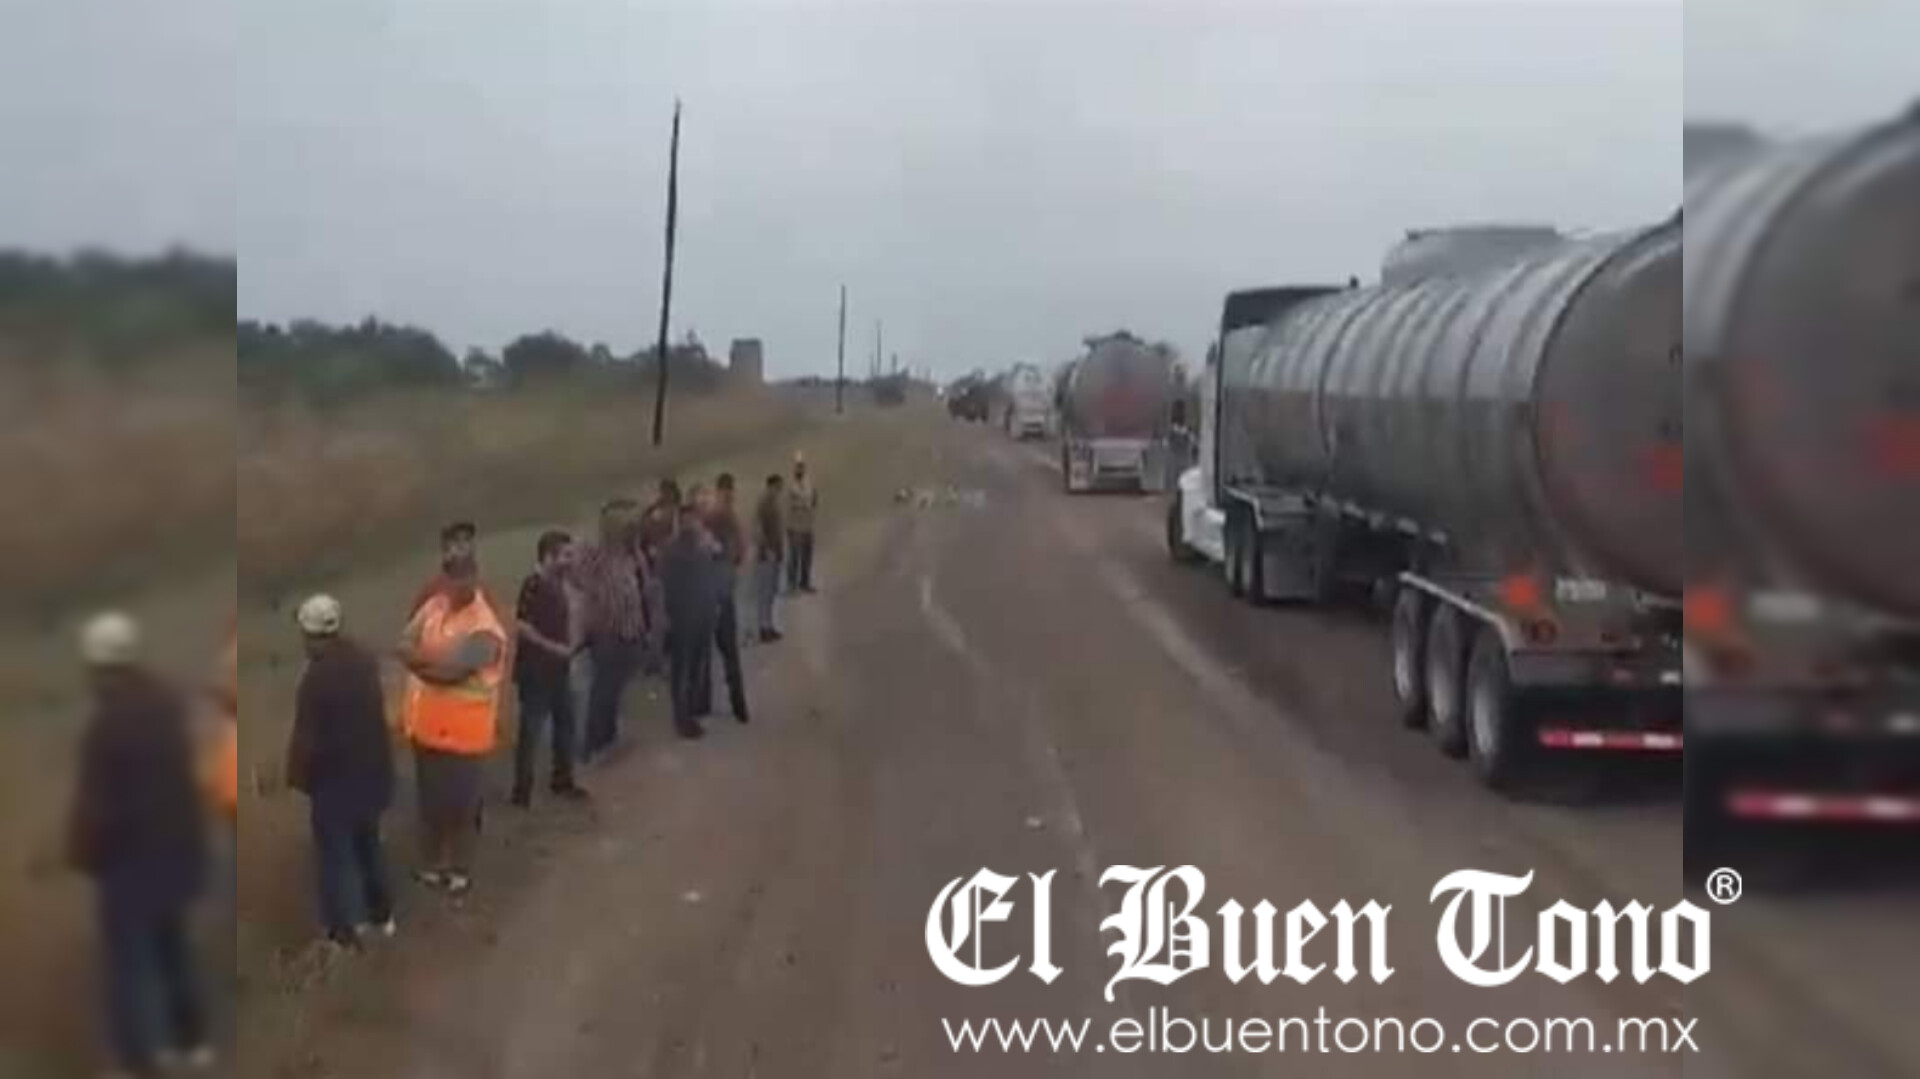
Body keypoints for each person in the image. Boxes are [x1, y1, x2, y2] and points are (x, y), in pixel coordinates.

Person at [66, 612, 215, 1077]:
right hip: (176, 855)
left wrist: (82, 855)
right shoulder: (166, 705)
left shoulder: (105, 725)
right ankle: (191, 1042)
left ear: (99, 666)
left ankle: (137, 1062)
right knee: (174, 951)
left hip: (128, 866)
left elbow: (96, 807)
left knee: (129, 966)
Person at [287, 595, 397, 948]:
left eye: (305, 635)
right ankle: (382, 917)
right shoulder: (363, 661)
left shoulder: (316, 679)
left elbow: (306, 740)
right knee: (369, 847)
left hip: (335, 783)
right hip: (373, 775)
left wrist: (298, 779)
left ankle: (342, 932)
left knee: (335, 859)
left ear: (313, 635)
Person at [397, 556, 507, 897]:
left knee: (462, 808)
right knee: (431, 805)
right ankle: (432, 866)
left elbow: (450, 674)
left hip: (466, 737)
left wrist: (421, 664)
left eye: (465, 578)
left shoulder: (485, 627)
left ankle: (460, 871)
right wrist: (433, 665)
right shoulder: (433, 607)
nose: (459, 585)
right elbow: (403, 645)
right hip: (427, 730)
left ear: (475, 578)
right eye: (453, 578)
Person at [511, 530, 586, 806]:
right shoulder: (533, 585)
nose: (571, 560)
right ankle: (522, 790)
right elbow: (521, 626)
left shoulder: (561, 583)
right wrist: (553, 647)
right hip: (536, 671)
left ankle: (562, 780)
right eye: (566, 555)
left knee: (566, 725)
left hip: (558, 668)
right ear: (548, 557)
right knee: (531, 732)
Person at [574, 500, 648, 760]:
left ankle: (606, 737)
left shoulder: (628, 557)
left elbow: (639, 591)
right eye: (628, 527)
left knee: (613, 690)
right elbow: (577, 565)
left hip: (628, 633)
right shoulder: (598, 558)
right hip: (608, 635)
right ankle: (593, 743)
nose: (633, 532)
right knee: (603, 691)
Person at [661, 491, 724, 740]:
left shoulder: (702, 545)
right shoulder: (674, 550)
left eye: (694, 520)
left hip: (702, 614)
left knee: (697, 665)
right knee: (683, 669)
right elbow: (667, 587)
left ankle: (691, 711)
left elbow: (711, 577)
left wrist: (714, 605)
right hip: (683, 617)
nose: (690, 525)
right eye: (686, 521)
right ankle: (682, 718)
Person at [705, 473, 751, 724]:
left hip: (708, 591)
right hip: (721, 593)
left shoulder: (709, 514)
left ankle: (702, 702)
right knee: (729, 651)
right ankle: (738, 704)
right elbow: (741, 550)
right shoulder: (727, 515)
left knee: (707, 651)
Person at [754, 474, 787, 642]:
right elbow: (760, 529)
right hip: (767, 554)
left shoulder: (772, 503)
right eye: (778, 486)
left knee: (770, 592)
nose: (780, 490)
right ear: (771, 485)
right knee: (765, 593)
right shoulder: (765, 503)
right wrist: (767, 549)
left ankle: (768, 625)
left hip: (773, 552)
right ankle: (763, 628)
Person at [786, 454, 820, 593]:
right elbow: (791, 503)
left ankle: (805, 582)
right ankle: (792, 584)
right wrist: (804, 503)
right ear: (794, 470)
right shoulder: (790, 485)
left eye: (801, 468)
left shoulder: (809, 484)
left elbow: (814, 499)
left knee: (807, 555)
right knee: (794, 556)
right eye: (797, 468)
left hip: (807, 525)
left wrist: (810, 502)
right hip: (794, 526)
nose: (800, 470)